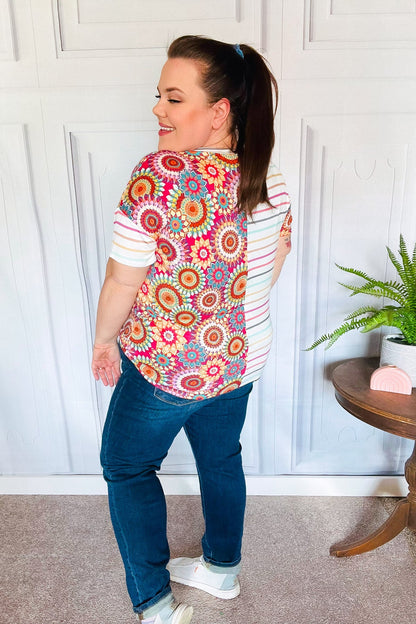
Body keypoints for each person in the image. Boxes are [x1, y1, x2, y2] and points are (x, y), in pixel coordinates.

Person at [92, 35, 291, 624]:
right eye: (160, 95)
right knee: (221, 457)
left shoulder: (159, 175)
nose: (158, 109)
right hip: (242, 359)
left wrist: (103, 341)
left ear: (219, 111)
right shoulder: (270, 180)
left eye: (174, 98)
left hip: (169, 368)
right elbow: (267, 273)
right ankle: (222, 571)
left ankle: (155, 605)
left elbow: (121, 281)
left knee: (127, 466)